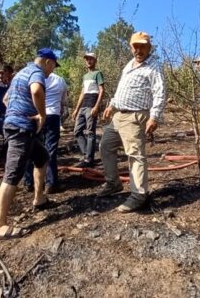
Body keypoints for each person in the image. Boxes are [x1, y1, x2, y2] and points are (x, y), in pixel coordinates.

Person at [0, 48, 58, 240]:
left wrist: (15, 110)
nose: (52, 71)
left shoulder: (21, 72)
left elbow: (5, 99)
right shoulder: (37, 72)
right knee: (13, 173)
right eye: (53, 66)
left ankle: (39, 199)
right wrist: (42, 115)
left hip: (18, 125)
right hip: (21, 128)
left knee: (42, 157)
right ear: (47, 62)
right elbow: (36, 90)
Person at [97, 31, 166, 212]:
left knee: (135, 155)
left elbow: (160, 92)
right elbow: (122, 88)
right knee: (105, 146)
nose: (139, 50)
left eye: (143, 46)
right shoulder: (129, 65)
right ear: (131, 47)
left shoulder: (154, 67)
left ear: (149, 47)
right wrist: (111, 105)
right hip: (118, 115)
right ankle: (114, 183)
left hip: (136, 116)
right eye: (135, 46)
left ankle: (139, 195)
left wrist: (154, 116)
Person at [23, 71, 67, 194]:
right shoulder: (60, 79)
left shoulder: (34, 77)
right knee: (50, 149)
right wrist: (60, 109)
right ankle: (51, 183)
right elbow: (63, 99)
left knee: (31, 148)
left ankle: (29, 182)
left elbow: (31, 94)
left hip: (37, 115)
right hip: (53, 115)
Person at [71, 52, 105, 168]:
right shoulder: (85, 76)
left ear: (95, 60)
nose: (88, 61)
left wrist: (96, 106)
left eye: (91, 59)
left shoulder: (98, 73)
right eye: (87, 59)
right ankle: (87, 154)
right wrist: (76, 109)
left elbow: (101, 90)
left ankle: (88, 159)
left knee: (90, 132)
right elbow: (82, 93)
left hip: (91, 104)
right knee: (77, 131)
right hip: (83, 105)